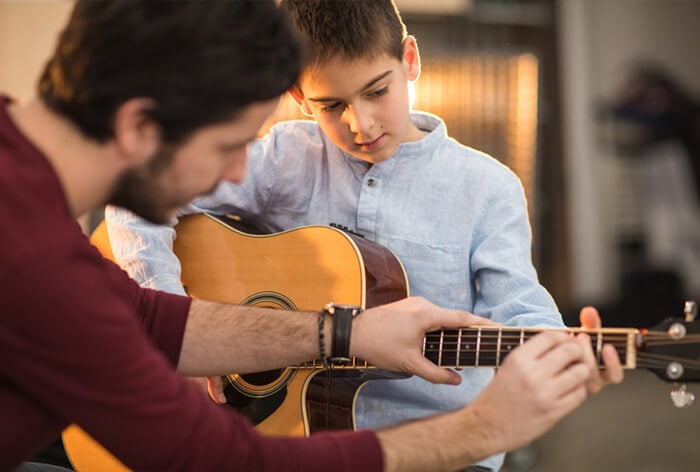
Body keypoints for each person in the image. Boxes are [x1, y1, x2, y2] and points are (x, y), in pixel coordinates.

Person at [0, 1, 622, 471]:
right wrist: (483, 430)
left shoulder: (38, 221)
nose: (240, 175)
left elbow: (145, 316)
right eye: (227, 146)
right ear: (140, 127)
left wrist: (343, 334)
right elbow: (224, 460)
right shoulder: (38, 266)